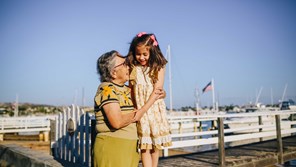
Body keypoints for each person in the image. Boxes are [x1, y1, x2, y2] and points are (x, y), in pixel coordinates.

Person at [93, 50, 164, 167]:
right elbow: (117, 122)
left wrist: (161, 93)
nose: (129, 66)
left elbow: (147, 95)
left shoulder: (126, 89)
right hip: (113, 147)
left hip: (129, 148)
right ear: (113, 73)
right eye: (124, 64)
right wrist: (139, 113)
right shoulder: (107, 89)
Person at [127, 32, 172, 167]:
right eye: (138, 54)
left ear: (152, 52)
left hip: (153, 109)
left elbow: (157, 91)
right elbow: (130, 89)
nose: (141, 57)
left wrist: (144, 109)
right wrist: (134, 107)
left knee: (154, 145)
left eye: (145, 54)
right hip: (140, 109)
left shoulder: (158, 66)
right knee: (144, 145)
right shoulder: (133, 68)